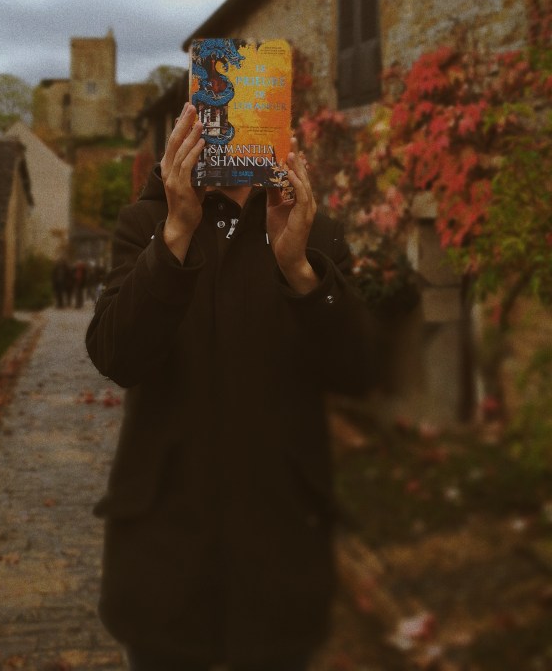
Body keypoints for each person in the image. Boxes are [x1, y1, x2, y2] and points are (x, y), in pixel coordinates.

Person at [86, 103, 374, 670]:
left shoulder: (315, 232)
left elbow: (357, 368)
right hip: (165, 552)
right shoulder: (146, 225)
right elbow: (117, 356)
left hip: (280, 549)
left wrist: (301, 271)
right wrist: (175, 234)